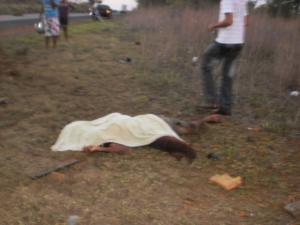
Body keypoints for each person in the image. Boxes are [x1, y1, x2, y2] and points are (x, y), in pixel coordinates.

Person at [51, 113, 221, 162]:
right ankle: (176, 147)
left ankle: (205, 119)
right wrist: (98, 148)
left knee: (187, 128)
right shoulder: (101, 134)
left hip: (151, 121)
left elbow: (123, 149)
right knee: (157, 139)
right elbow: (122, 148)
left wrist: (98, 148)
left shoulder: (101, 131)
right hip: (147, 123)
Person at [201, 0, 249, 115]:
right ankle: (225, 106)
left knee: (206, 65)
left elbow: (228, 21)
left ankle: (212, 101)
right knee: (228, 75)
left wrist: (214, 26)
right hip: (238, 43)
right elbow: (246, 22)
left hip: (225, 42)